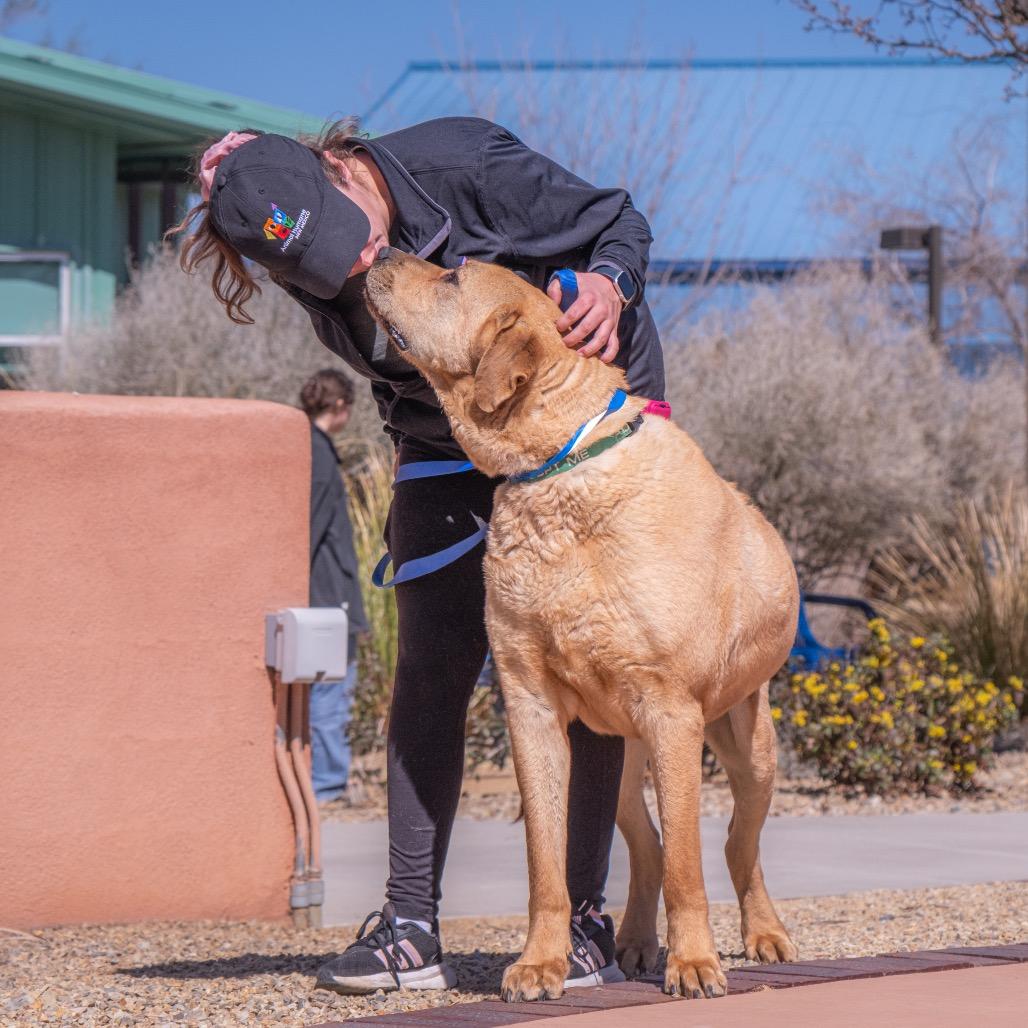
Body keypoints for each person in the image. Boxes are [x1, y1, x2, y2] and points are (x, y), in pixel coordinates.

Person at [174, 116, 666, 996]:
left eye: (353, 237)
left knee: (585, 673)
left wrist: (610, 282)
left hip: (575, 419)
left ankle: (583, 920)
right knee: (431, 669)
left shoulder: (464, 163)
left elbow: (618, 217)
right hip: (445, 440)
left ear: (338, 167)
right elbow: (392, 362)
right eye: (330, 263)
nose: (357, 266)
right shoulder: (308, 254)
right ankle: (408, 928)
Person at [300, 368, 368, 804]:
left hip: (319, 596)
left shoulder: (305, 448)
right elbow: (310, 531)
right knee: (330, 690)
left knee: (321, 691)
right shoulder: (320, 457)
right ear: (340, 407)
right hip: (329, 599)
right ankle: (327, 784)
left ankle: (322, 781)